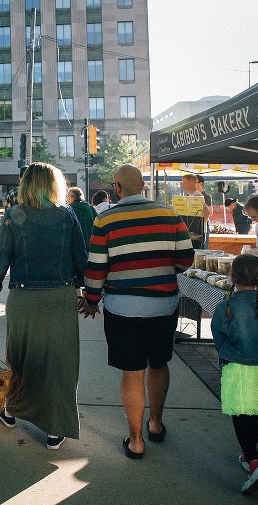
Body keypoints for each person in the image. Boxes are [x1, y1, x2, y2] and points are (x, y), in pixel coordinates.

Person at [82, 164, 194, 460]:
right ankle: (155, 425)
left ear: (117, 188)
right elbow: (186, 260)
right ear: (143, 186)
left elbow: (96, 267)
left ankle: (136, 442)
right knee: (158, 364)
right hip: (163, 306)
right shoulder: (170, 214)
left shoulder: (105, 219)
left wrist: (92, 300)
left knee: (132, 373)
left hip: (122, 309)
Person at [0, 162, 87, 450]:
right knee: (59, 363)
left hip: (24, 299)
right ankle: (55, 429)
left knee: (21, 358)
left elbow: (2, 258)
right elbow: (81, 259)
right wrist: (94, 294)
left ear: (26, 184)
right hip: (61, 298)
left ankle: (12, 411)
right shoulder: (68, 216)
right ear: (55, 185)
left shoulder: (14, 215)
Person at [210, 255, 258, 495]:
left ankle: (254, 463)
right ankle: (249, 457)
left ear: (232, 277)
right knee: (253, 413)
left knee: (241, 415)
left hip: (236, 367)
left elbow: (218, 340)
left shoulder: (224, 307)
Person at [181, 174, 211, 249]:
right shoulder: (190, 195)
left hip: (197, 232)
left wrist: (201, 225)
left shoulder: (197, 195)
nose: (182, 185)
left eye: (184, 182)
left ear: (191, 183)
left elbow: (207, 212)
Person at [66, 186, 96, 250]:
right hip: (91, 245)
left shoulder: (69, 210)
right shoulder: (91, 209)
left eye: (67, 196)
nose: (66, 199)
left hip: (77, 246)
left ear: (73, 197)